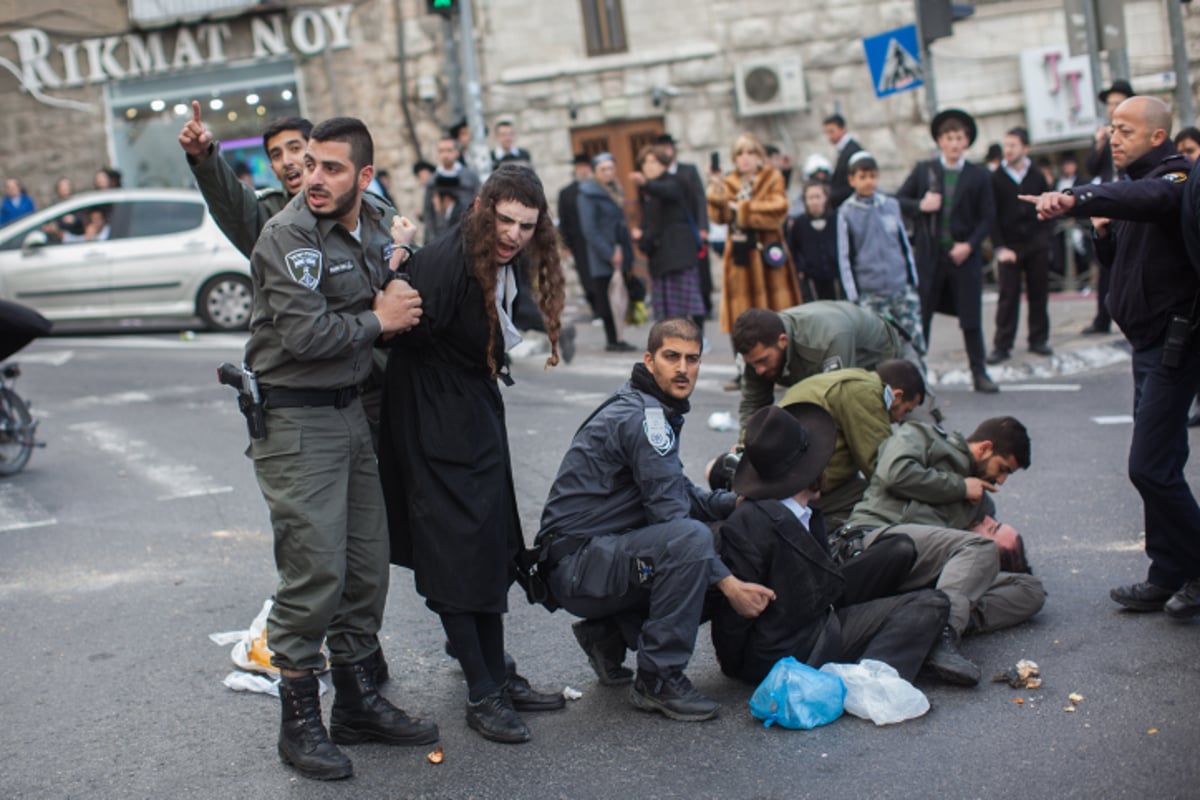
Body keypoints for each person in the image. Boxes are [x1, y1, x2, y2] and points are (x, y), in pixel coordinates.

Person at [243, 117, 436, 781]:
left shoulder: (362, 228)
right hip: (298, 422)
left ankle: (356, 703)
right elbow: (305, 336)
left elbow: (376, 283)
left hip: (350, 413)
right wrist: (379, 320)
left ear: (364, 178)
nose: (311, 177)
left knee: (364, 566)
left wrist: (397, 271)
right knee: (314, 570)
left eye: (329, 167)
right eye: (308, 164)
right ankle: (299, 725)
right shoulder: (288, 234)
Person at [380, 164, 566, 744]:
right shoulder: (445, 261)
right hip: (434, 418)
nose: (512, 234)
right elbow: (399, 329)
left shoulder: (496, 258)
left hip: (470, 410)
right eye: (504, 219)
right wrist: (395, 265)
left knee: (488, 546)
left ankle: (497, 675)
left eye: (526, 225)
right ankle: (483, 692)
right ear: (483, 207)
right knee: (455, 552)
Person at [535, 318, 775, 722]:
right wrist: (731, 587)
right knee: (693, 542)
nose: (683, 368)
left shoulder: (650, 408)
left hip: (592, 558)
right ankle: (658, 679)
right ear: (649, 360)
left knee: (706, 536)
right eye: (671, 357)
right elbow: (674, 519)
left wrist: (735, 504)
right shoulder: (646, 419)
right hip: (578, 566)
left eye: (692, 359)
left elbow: (676, 490)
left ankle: (607, 634)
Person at [1028, 96, 1200, 619]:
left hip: (1176, 343)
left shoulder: (1176, 179)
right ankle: (1166, 572)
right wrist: (1102, 232)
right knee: (1164, 463)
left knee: (1148, 467)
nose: (1113, 137)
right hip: (1145, 343)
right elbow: (1124, 258)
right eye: (1111, 128)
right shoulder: (1128, 192)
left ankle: (1193, 567)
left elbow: (1150, 199)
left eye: (1125, 129)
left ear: (1156, 136)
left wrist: (1073, 199)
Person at [711, 404, 959, 686]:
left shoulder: (804, 510)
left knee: (899, 548)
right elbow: (734, 609)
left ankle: (901, 642)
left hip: (812, 608)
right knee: (931, 603)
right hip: (796, 645)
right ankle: (871, 680)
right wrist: (735, 665)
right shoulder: (750, 522)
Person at [844, 416, 1046, 684]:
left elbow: (972, 568)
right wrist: (960, 487)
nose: (1000, 480)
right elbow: (895, 473)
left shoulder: (981, 502)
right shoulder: (922, 436)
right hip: (880, 541)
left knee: (1030, 590)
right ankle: (941, 635)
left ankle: (928, 623)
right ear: (984, 448)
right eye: (1002, 469)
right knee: (980, 547)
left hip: (926, 569)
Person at [897, 108, 998, 393]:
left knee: (971, 318)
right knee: (922, 316)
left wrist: (969, 245)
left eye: (959, 138)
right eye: (949, 137)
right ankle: (915, 377)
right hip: (930, 257)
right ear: (940, 141)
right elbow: (898, 200)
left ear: (966, 141)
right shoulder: (924, 170)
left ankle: (979, 372)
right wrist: (921, 205)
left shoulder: (977, 176)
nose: (954, 143)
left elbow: (987, 216)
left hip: (964, 258)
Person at [777, 360, 926, 525]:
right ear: (897, 395)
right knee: (884, 502)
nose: (899, 420)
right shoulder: (865, 393)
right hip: (793, 490)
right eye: (906, 410)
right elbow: (884, 470)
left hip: (783, 479)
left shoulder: (854, 378)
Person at [707, 132, 803, 384]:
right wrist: (716, 189)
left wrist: (745, 210)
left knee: (778, 315)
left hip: (767, 258)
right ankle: (745, 370)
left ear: (760, 157)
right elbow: (719, 217)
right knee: (742, 316)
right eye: (740, 154)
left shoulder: (772, 178)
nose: (745, 159)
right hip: (740, 259)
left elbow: (779, 211)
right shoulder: (728, 183)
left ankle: (787, 366)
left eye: (751, 153)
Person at [730, 301, 914, 433]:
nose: (759, 370)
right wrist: (746, 447)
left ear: (782, 341)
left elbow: (838, 406)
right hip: (831, 359)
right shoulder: (758, 351)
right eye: (752, 364)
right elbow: (753, 406)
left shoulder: (827, 340)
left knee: (920, 433)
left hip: (884, 354)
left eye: (763, 361)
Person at [179, 101, 312, 259]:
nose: (286, 161)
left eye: (295, 148)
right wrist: (203, 156)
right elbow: (229, 200)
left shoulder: (345, 205)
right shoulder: (268, 217)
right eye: (276, 155)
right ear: (273, 170)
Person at [836, 151, 926, 357]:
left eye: (872, 176)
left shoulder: (890, 205)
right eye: (863, 177)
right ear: (852, 180)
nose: (868, 182)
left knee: (913, 342)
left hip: (900, 287)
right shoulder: (846, 213)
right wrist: (854, 295)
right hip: (871, 291)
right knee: (876, 346)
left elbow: (903, 243)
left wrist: (912, 280)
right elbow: (845, 257)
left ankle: (921, 382)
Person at [987, 127, 1054, 365]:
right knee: (1008, 297)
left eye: (1013, 146)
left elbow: (1048, 207)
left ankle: (1038, 339)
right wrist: (999, 248)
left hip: (1036, 244)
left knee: (1039, 293)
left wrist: (1044, 239)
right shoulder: (995, 178)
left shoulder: (1036, 175)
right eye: (1006, 146)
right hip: (1009, 246)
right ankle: (1002, 345)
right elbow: (991, 215)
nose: (1008, 150)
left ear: (1025, 149)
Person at [632, 144, 706, 335]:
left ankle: (699, 338)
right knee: (666, 311)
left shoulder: (676, 181)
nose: (648, 166)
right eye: (644, 163)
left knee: (689, 303)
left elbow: (668, 191)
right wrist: (642, 237)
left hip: (679, 254)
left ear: (664, 163)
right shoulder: (647, 193)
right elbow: (651, 223)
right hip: (660, 258)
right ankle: (675, 341)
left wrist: (646, 184)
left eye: (653, 162)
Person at [1082, 80, 1135, 336]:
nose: (1113, 108)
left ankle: (1132, 315)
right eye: (1110, 104)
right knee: (1104, 265)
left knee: (1131, 260)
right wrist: (1100, 143)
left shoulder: (1135, 133)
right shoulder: (1104, 134)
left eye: (1118, 103)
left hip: (1130, 202)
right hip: (1107, 204)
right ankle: (1102, 319)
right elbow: (1091, 167)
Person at [577, 152, 636, 351]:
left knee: (619, 296)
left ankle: (619, 337)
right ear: (595, 172)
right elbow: (590, 229)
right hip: (604, 255)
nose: (608, 172)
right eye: (603, 169)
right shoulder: (588, 194)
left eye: (611, 168)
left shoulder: (614, 189)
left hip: (618, 248)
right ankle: (613, 339)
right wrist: (609, 253)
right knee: (608, 298)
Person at [656, 132, 713, 327]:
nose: (666, 151)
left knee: (697, 280)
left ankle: (703, 318)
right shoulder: (656, 177)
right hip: (669, 239)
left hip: (691, 231)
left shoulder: (687, 171)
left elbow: (699, 199)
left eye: (668, 147)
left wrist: (703, 227)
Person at [786, 180, 841, 302]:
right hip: (811, 278)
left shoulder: (836, 219)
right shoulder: (799, 223)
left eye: (818, 197)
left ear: (825, 198)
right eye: (810, 197)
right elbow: (792, 249)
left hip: (834, 276)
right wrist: (800, 269)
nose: (814, 201)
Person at [423, 134, 481, 244]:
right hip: (442, 236)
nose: (445, 155)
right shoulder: (432, 181)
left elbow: (479, 205)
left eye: (449, 150)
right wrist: (433, 239)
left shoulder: (470, 177)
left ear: (457, 152)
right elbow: (428, 212)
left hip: (467, 234)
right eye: (442, 151)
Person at [557, 153, 597, 316]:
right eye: (580, 167)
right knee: (586, 277)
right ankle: (596, 309)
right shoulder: (566, 193)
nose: (583, 170)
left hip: (597, 242)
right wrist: (565, 245)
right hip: (579, 242)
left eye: (586, 167)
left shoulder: (597, 188)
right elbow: (564, 220)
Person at [823, 113, 863, 208]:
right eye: (827, 133)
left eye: (832, 132)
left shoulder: (852, 150)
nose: (829, 136)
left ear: (843, 129)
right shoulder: (843, 149)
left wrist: (832, 196)